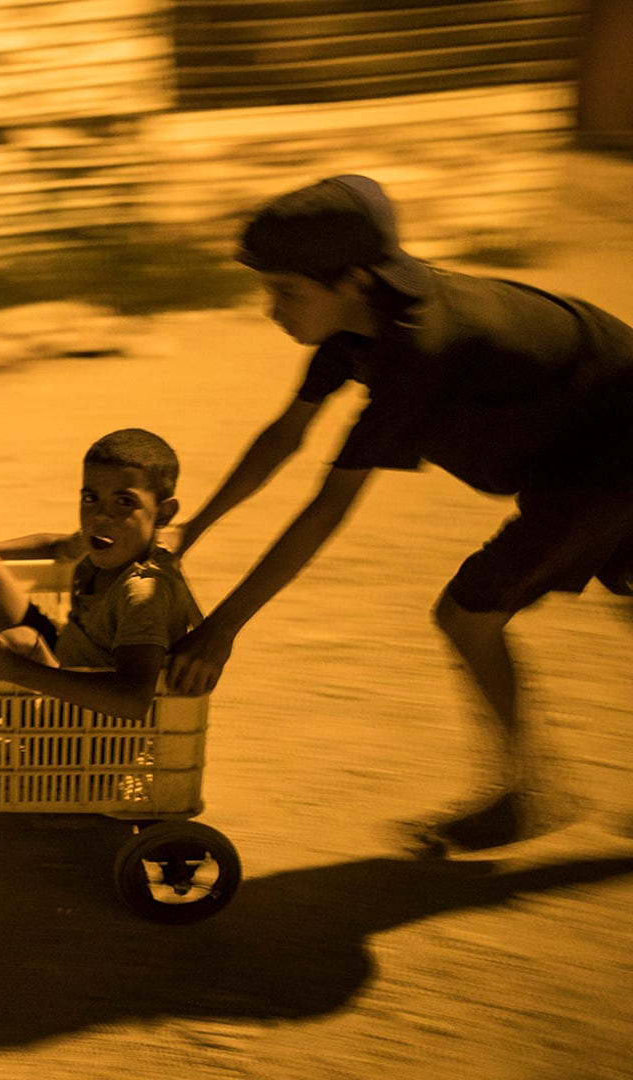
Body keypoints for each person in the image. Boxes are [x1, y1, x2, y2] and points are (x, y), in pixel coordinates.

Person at [164, 174, 633, 852]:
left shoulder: (422, 347)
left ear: (353, 279)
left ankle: (531, 793)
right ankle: (533, 792)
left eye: (287, 291)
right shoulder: (357, 328)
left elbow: (327, 509)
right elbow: (284, 436)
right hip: (584, 439)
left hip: (612, 451)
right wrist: (191, 530)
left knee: (468, 613)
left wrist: (225, 627)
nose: (273, 310)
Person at [0, 428, 203, 722]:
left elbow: (132, 701)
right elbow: (56, 545)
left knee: (22, 641)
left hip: (90, 726)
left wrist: (14, 669)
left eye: (124, 502)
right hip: (64, 666)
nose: (100, 516)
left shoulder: (143, 594)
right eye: (90, 498)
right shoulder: (106, 539)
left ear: (163, 514)